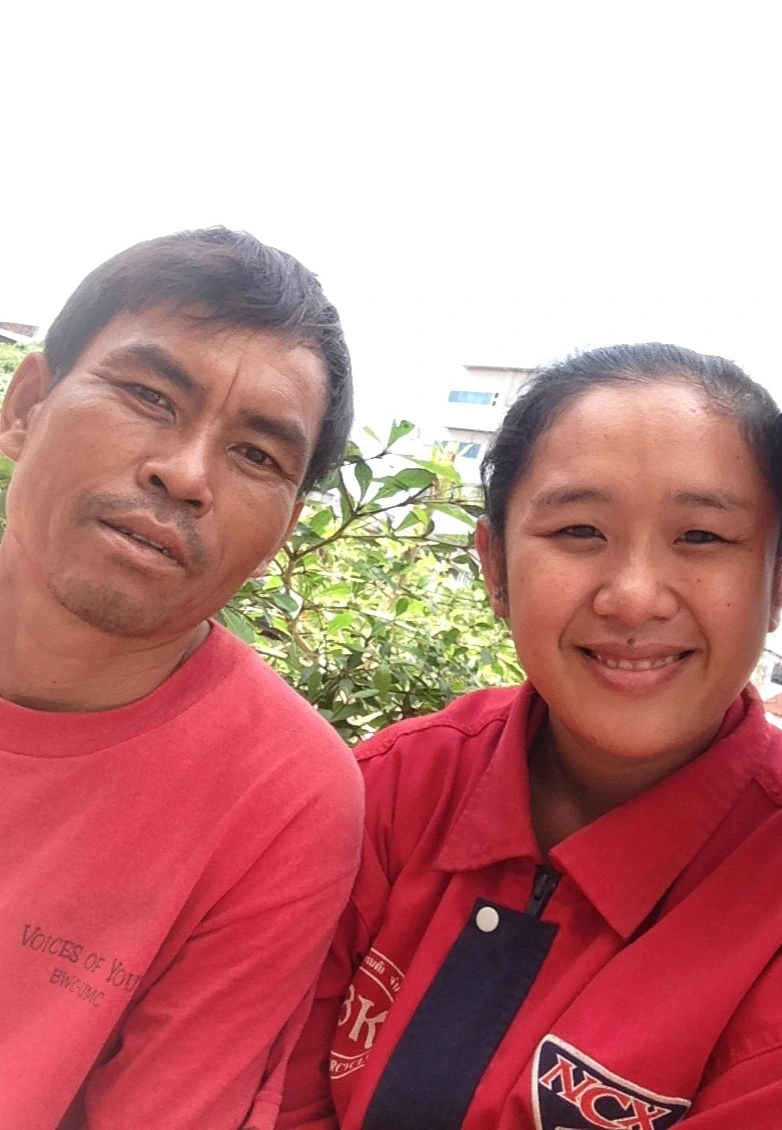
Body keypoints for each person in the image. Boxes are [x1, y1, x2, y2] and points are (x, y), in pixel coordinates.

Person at [277, 343, 782, 1130]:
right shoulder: (388, 793)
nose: (634, 597)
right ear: (495, 567)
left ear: (776, 580)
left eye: (703, 537)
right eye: (579, 530)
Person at [0, 227, 364, 1130]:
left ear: (282, 531)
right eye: (148, 396)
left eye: (257, 456)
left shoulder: (283, 795)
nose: (186, 473)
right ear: (27, 406)